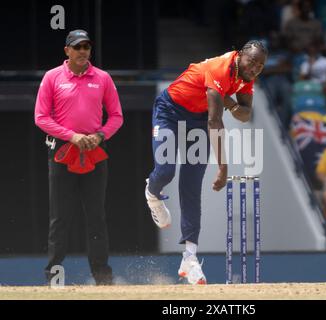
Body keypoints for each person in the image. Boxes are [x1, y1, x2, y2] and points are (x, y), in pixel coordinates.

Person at [145, 40, 267, 284]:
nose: (254, 68)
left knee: (192, 185)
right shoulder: (220, 68)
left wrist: (230, 102)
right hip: (170, 111)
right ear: (240, 55)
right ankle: (152, 192)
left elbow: (245, 114)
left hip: (197, 120)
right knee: (166, 171)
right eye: (252, 62)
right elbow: (215, 121)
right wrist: (223, 167)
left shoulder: (246, 77)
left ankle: (189, 258)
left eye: (260, 66)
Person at [34, 30, 123, 285]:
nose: (83, 51)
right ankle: (54, 277)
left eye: (86, 46)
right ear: (67, 51)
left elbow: (117, 116)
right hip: (63, 151)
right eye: (77, 47)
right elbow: (41, 117)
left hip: (94, 151)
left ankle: (103, 278)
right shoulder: (52, 77)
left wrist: (100, 135)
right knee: (60, 217)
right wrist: (72, 136)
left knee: (96, 216)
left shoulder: (103, 78)